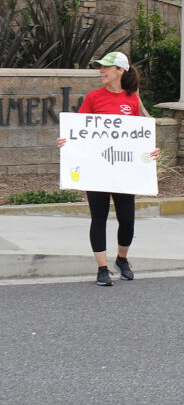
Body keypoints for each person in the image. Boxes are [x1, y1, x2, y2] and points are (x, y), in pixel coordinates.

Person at [57, 52, 160, 286]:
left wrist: (152, 151)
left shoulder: (133, 99)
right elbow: (79, 130)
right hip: (97, 171)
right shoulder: (93, 97)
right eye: (100, 68)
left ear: (120, 70)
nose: (101, 71)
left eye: (106, 67)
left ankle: (122, 259)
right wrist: (66, 141)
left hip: (124, 171)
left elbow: (140, 135)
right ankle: (102, 268)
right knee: (99, 218)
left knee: (127, 220)